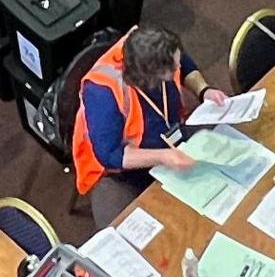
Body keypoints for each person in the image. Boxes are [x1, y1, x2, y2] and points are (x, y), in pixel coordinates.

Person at [66, 24, 207, 213]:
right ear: (148, 76)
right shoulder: (103, 94)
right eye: (171, 70)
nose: (178, 68)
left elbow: (184, 62)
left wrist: (203, 90)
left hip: (172, 137)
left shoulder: (156, 47)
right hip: (124, 171)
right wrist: (163, 157)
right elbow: (109, 156)